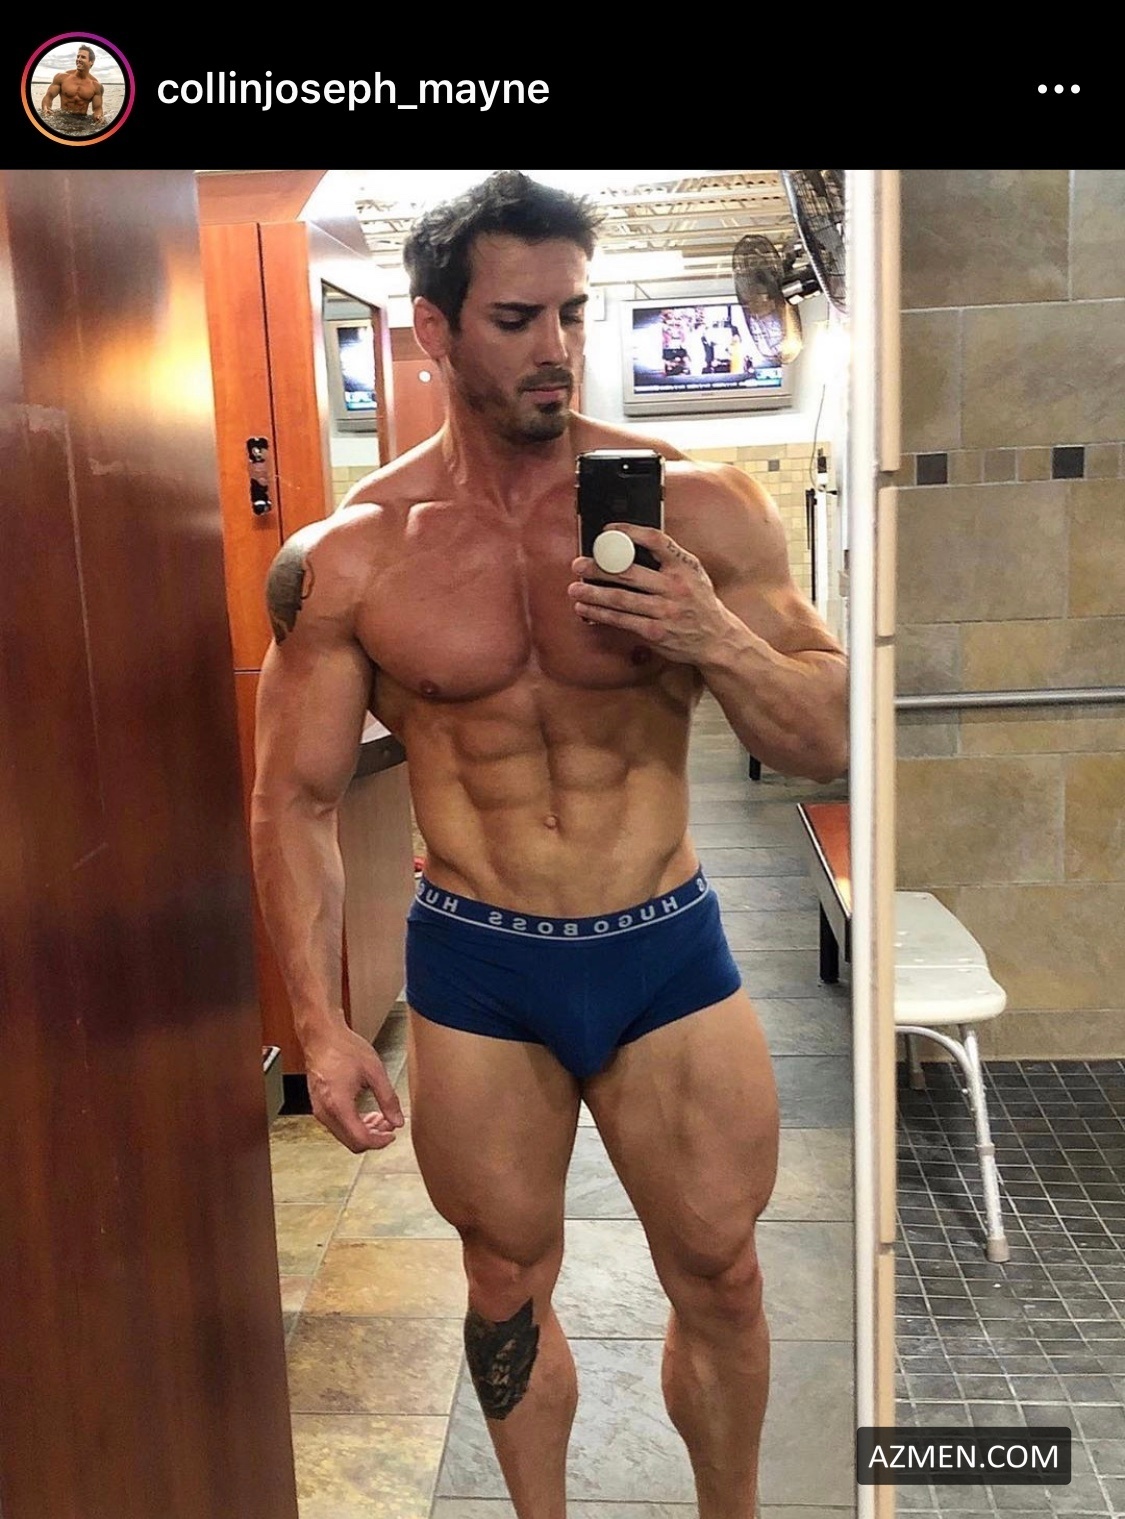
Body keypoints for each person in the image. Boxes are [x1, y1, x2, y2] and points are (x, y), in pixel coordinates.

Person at [251, 170, 848, 1519]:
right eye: (516, 318)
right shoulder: (351, 557)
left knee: (723, 1272)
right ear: (432, 329)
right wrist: (321, 1024)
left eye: (572, 312)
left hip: (663, 948)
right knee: (503, 1278)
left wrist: (709, 634)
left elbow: (825, 736)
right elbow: (290, 801)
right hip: (480, 964)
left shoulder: (701, 506)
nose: (557, 346)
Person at [40, 44, 104, 125]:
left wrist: (98, 116)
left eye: (83, 57)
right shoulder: (62, 77)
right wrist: (46, 109)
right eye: (78, 56)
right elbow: (49, 96)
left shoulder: (96, 86)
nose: (78, 59)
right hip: (62, 118)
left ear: (91, 62)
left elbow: (97, 108)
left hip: (82, 120)